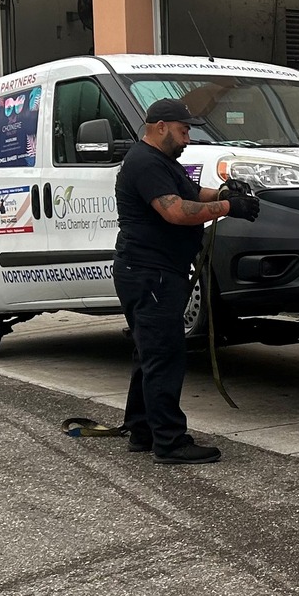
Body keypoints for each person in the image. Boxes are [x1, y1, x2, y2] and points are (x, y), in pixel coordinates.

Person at [114, 97, 259, 462]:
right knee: (164, 355)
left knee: (149, 353)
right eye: (183, 130)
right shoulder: (145, 162)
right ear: (161, 127)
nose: (187, 138)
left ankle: (142, 429)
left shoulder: (160, 161)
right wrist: (229, 208)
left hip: (152, 272)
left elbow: (190, 195)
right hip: (151, 274)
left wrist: (225, 192)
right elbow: (175, 211)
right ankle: (170, 441)